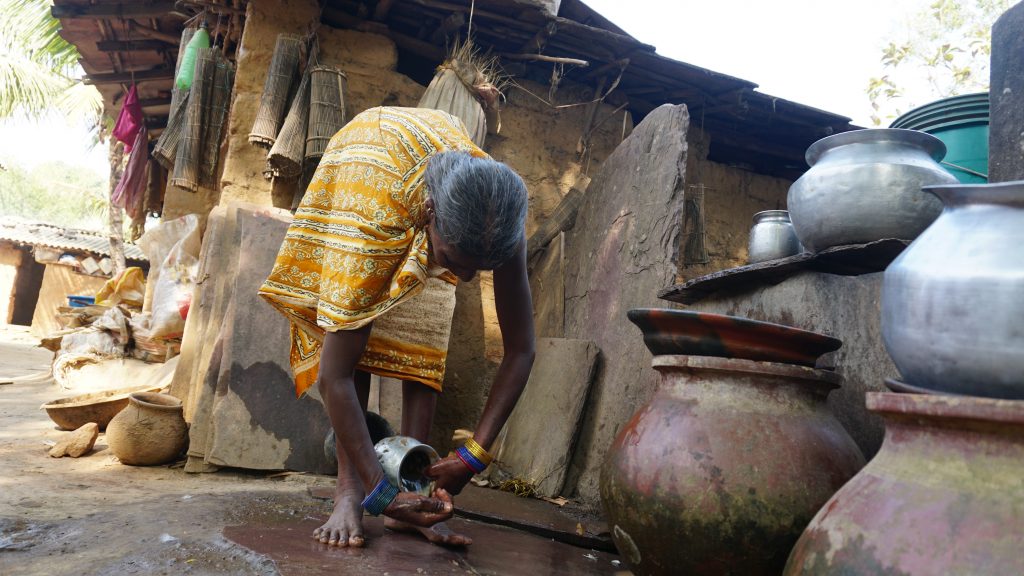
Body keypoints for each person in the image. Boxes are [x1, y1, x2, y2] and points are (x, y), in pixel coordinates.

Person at [259, 106, 535, 548]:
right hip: (365, 167)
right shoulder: (374, 217)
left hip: (429, 181)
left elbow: (521, 349)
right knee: (356, 336)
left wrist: (473, 456)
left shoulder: (499, 222)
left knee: (426, 329)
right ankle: (350, 492)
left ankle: (415, 493)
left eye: (479, 270)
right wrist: (378, 493)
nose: (466, 278)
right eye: (455, 263)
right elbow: (336, 376)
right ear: (428, 214)